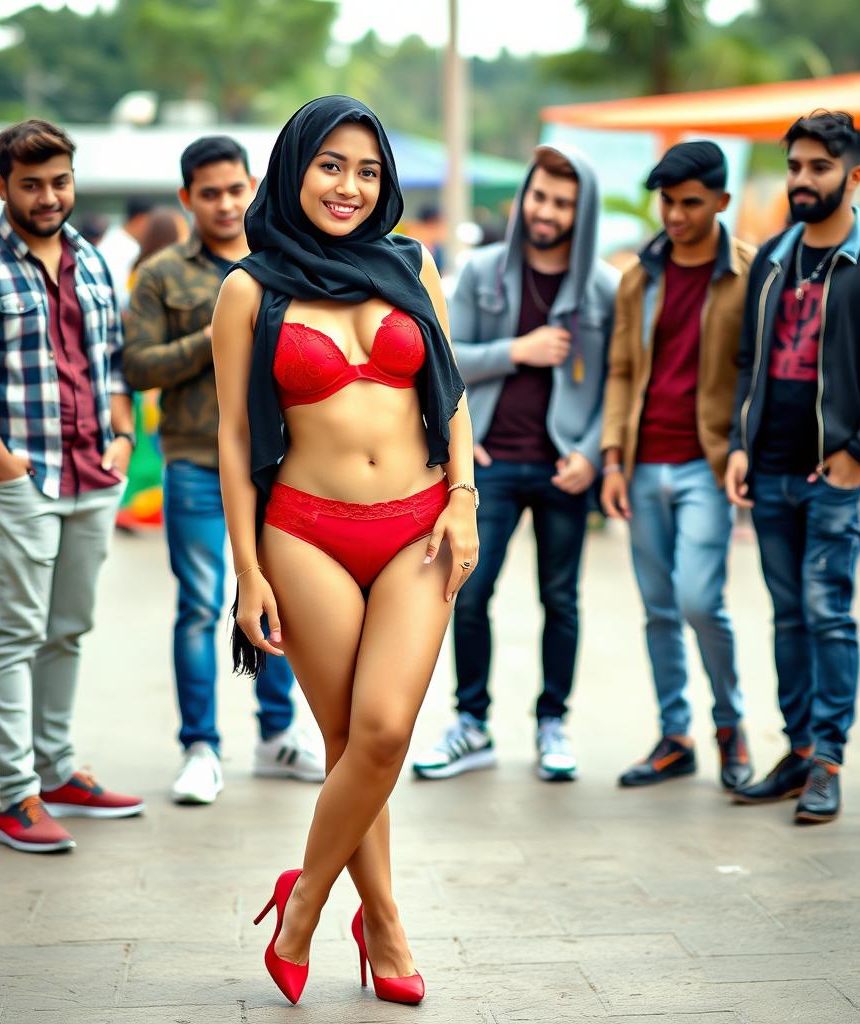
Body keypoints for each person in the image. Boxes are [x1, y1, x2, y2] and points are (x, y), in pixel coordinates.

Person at [212, 96, 476, 1006]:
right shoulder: (250, 289)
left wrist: (465, 498)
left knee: (385, 731)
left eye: (367, 170)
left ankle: (305, 902)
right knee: (344, 739)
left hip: (420, 529)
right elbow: (236, 442)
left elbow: (450, 396)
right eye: (330, 165)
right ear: (293, 170)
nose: (350, 187)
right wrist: (247, 571)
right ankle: (389, 927)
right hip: (305, 534)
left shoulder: (413, 264)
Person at [0, 119, 145, 853]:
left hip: (93, 472)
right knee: (16, 633)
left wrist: (122, 437)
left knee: (70, 629)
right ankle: (15, 795)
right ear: (2, 187)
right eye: (32, 185)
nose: (49, 197)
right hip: (21, 476)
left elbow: (110, 361)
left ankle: (57, 772)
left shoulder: (90, 260)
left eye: (59, 182)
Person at [725, 111, 860, 824]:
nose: (803, 179)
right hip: (771, 468)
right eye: (795, 166)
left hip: (837, 473)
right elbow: (750, 360)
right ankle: (799, 750)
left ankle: (830, 761)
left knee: (826, 612)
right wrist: (739, 444)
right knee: (788, 617)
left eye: (819, 167)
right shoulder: (776, 254)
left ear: (856, 175)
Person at [124, 135, 322, 805]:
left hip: (279, 465)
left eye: (236, 189)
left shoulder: (285, 264)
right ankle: (200, 747)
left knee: (282, 600)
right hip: (194, 463)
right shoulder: (160, 275)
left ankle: (276, 736)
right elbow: (137, 366)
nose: (226, 203)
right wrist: (212, 335)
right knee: (200, 606)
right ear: (187, 200)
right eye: (209, 193)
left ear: (254, 187)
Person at [412, 144, 618, 783]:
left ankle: (552, 721)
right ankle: (471, 723)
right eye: (539, 196)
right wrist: (518, 350)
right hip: (490, 461)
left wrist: (589, 452)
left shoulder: (603, 287)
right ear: (523, 198)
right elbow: (447, 358)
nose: (547, 211)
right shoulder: (480, 272)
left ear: (581, 213)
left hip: (565, 467)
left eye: (562, 202)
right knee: (467, 592)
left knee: (561, 599)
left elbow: (617, 379)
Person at [600, 141, 755, 791]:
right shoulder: (641, 276)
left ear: (722, 201)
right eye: (666, 201)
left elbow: (756, 372)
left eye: (690, 203)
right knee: (658, 607)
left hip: (706, 465)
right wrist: (612, 456)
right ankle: (676, 736)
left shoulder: (751, 272)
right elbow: (621, 369)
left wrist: (745, 445)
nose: (675, 215)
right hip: (642, 464)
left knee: (698, 598)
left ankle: (731, 725)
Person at [98, 195, 154, 305]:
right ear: (140, 219)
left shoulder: (111, 238)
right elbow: (122, 294)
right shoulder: (130, 249)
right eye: (150, 223)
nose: (151, 229)